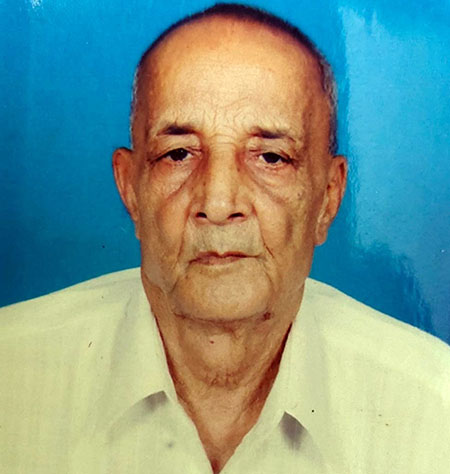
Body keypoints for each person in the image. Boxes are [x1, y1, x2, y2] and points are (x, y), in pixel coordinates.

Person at [1, 3, 449, 474]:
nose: (217, 203)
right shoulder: (12, 373)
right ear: (131, 189)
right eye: (178, 153)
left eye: (271, 158)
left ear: (328, 199)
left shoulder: (431, 406)